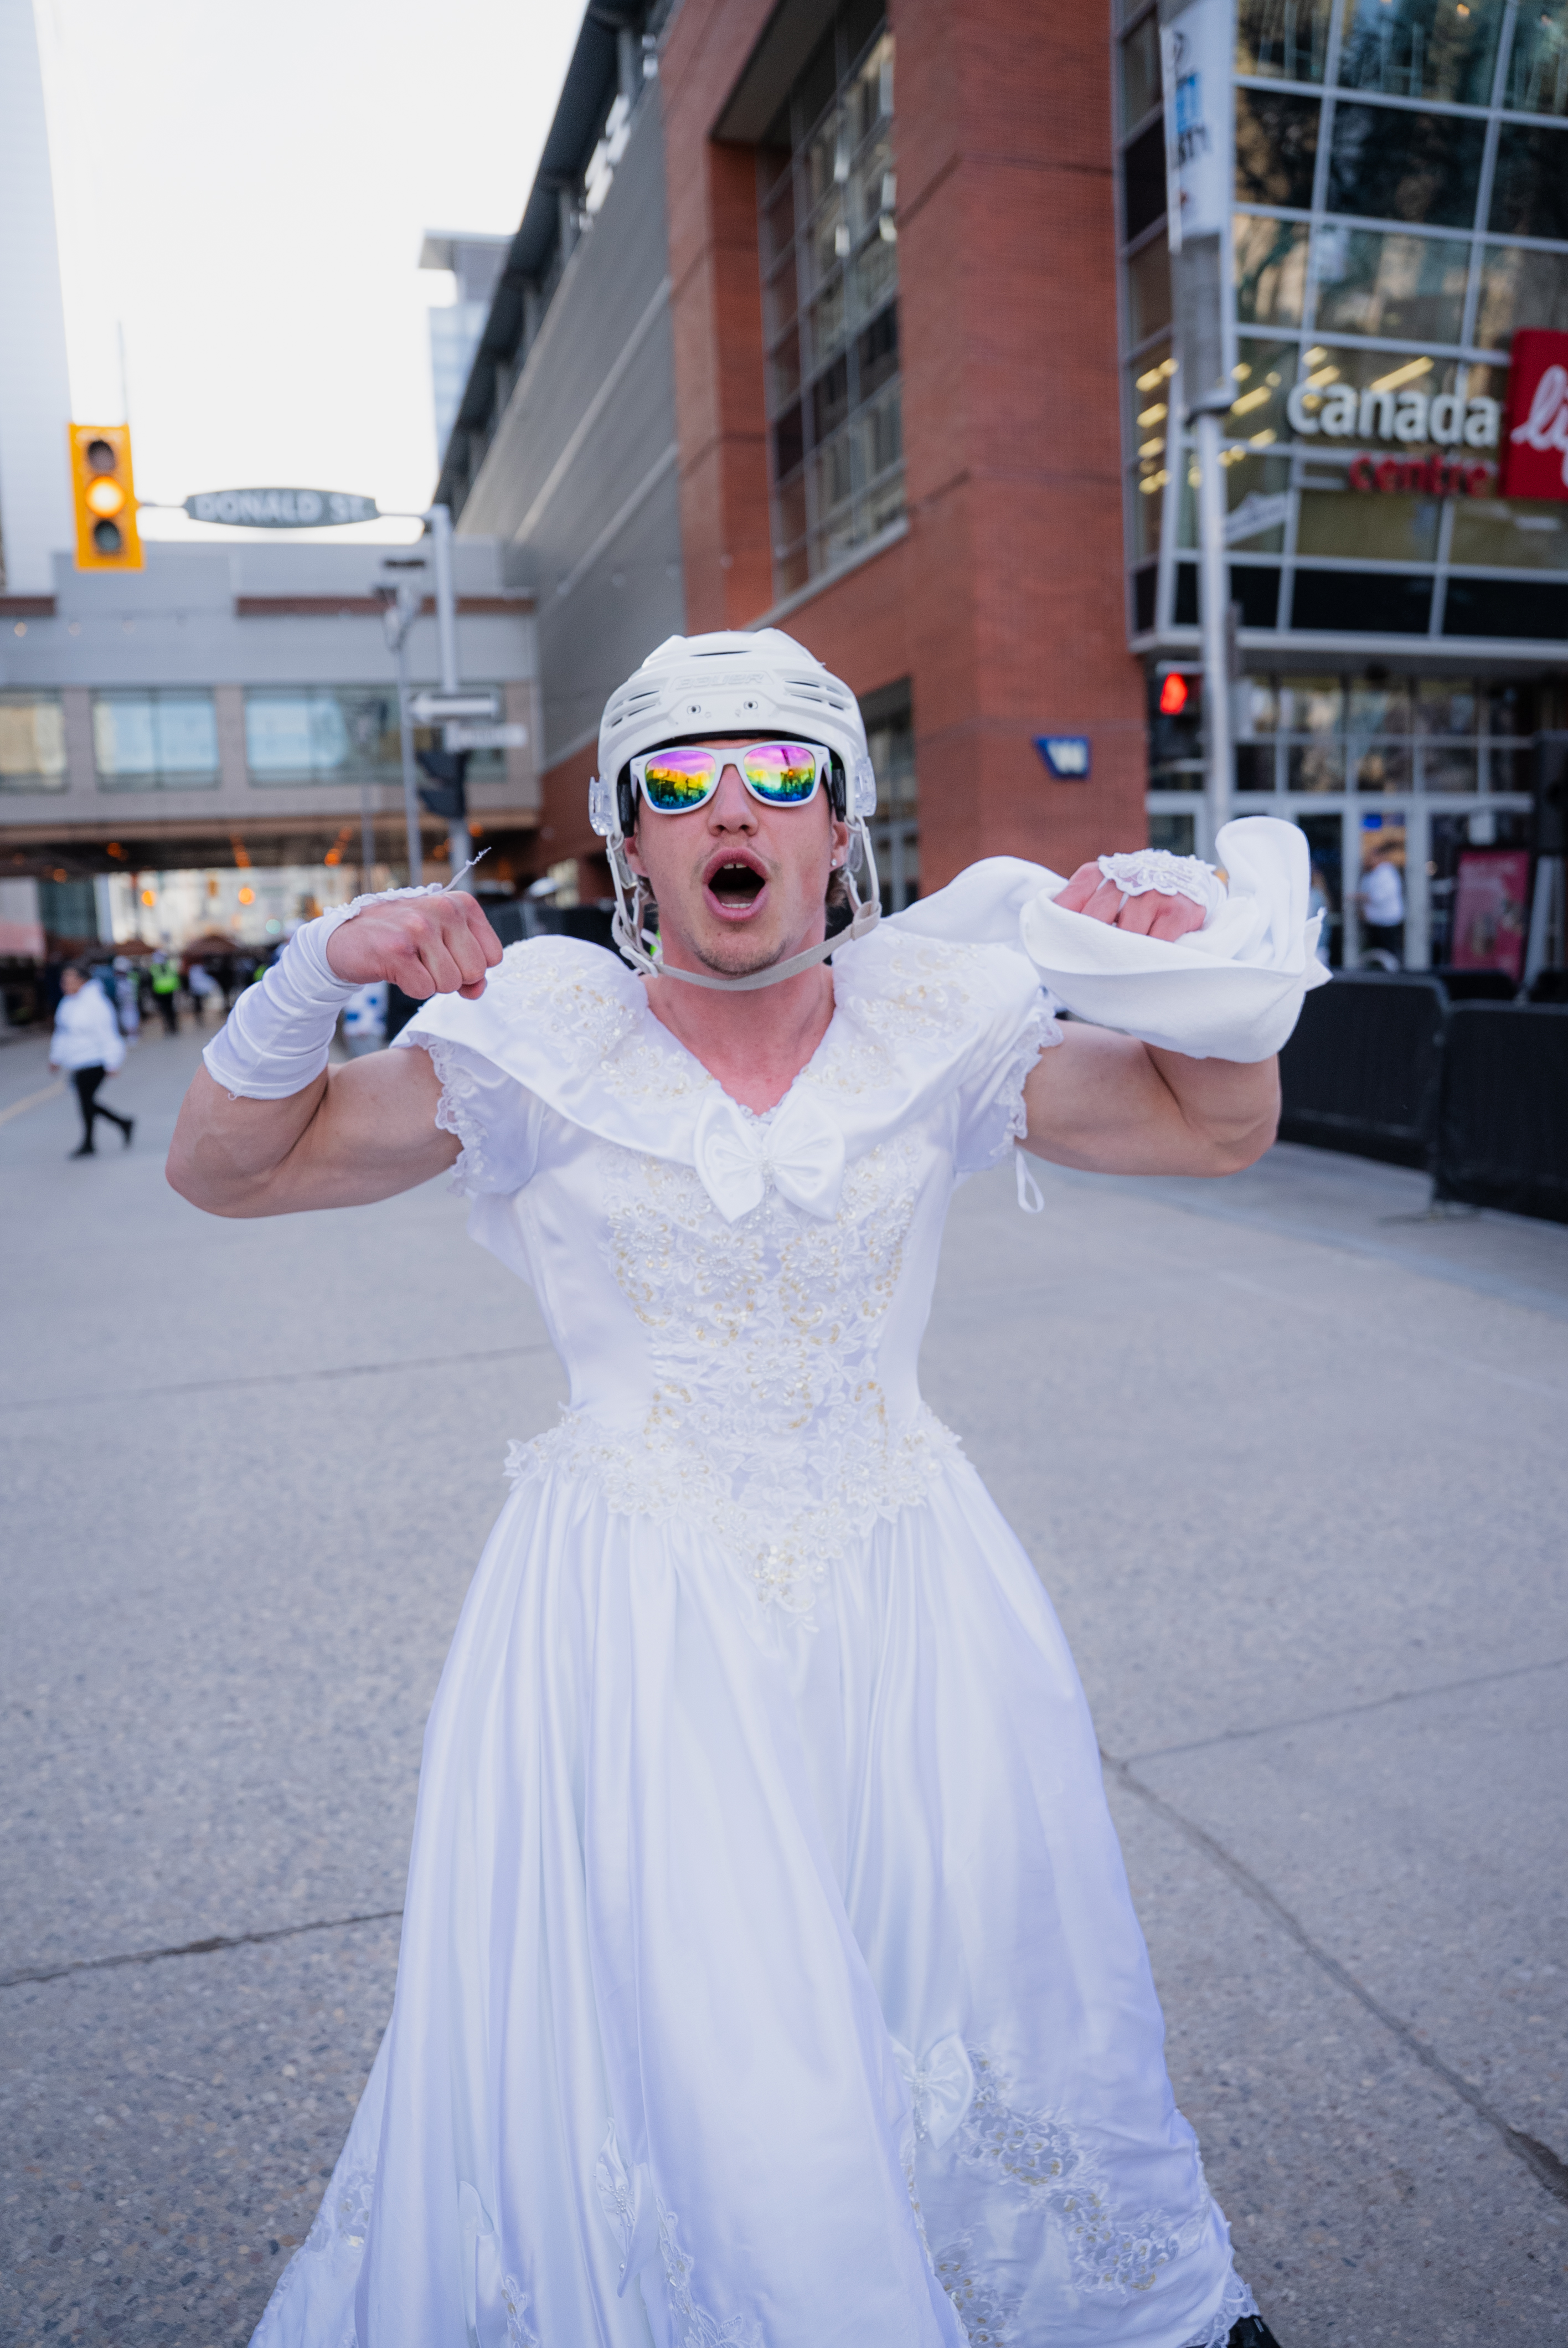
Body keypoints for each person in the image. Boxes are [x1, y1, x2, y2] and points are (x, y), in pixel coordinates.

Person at [170, 630, 1326, 2348]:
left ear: (840, 829)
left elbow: (1216, 1124)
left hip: (906, 1601)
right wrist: (311, 970)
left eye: (782, 776)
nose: (737, 808)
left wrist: (1180, 968)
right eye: (684, 783)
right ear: (628, 842)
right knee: (706, 2026)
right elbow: (225, 1170)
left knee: (960, 1974)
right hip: (629, 1629)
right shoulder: (532, 1037)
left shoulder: (937, 1028)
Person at [51, 962, 133, 1157]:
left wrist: (113, 1062)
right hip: (77, 1060)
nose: (64, 984)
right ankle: (122, 1123)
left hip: (95, 1060)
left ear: (82, 981)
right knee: (86, 1101)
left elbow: (108, 1035)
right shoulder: (68, 1003)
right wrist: (56, 1057)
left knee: (86, 1102)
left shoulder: (97, 1004)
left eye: (69, 980)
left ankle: (90, 1142)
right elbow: (62, 1033)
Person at [1358, 844, 1405, 966]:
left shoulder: (1387, 872)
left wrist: (1357, 897)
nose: (1366, 859)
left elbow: (1379, 896)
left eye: (1370, 856)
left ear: (1379, 857)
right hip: (1375, 922)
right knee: (1376, 955)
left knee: (1387, 955)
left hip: (1386, 922)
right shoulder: (1372, 873)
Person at [149, 950, 181, 1033]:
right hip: (162, 992)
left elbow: (176, 978)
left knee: (168, 1010)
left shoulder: (157, 967)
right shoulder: (157, 967)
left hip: (166, 992)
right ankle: (170, 1026)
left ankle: (172, 1027)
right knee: (167, 1011)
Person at [187, 959, 220, 1024]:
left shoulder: (194, 969)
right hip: (198, 989)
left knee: (199, 1004)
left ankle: (200, 1017)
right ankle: (199, 1017)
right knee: (199, 1004)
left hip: (197, 989)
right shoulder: (199, 968)